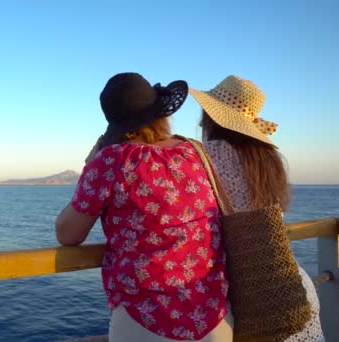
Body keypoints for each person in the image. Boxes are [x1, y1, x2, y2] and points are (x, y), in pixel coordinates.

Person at [55, 73, 233, 341]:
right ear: (161, 114)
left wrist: (90, 166)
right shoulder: (195, 152)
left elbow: (68, 234)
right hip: (214, 317)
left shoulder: (114, 159)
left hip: (147, 319)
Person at [189, 75, 325, 341]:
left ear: (210, 116)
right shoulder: (266, 158)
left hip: (245, 298)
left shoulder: (199, 157)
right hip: (288, 284)